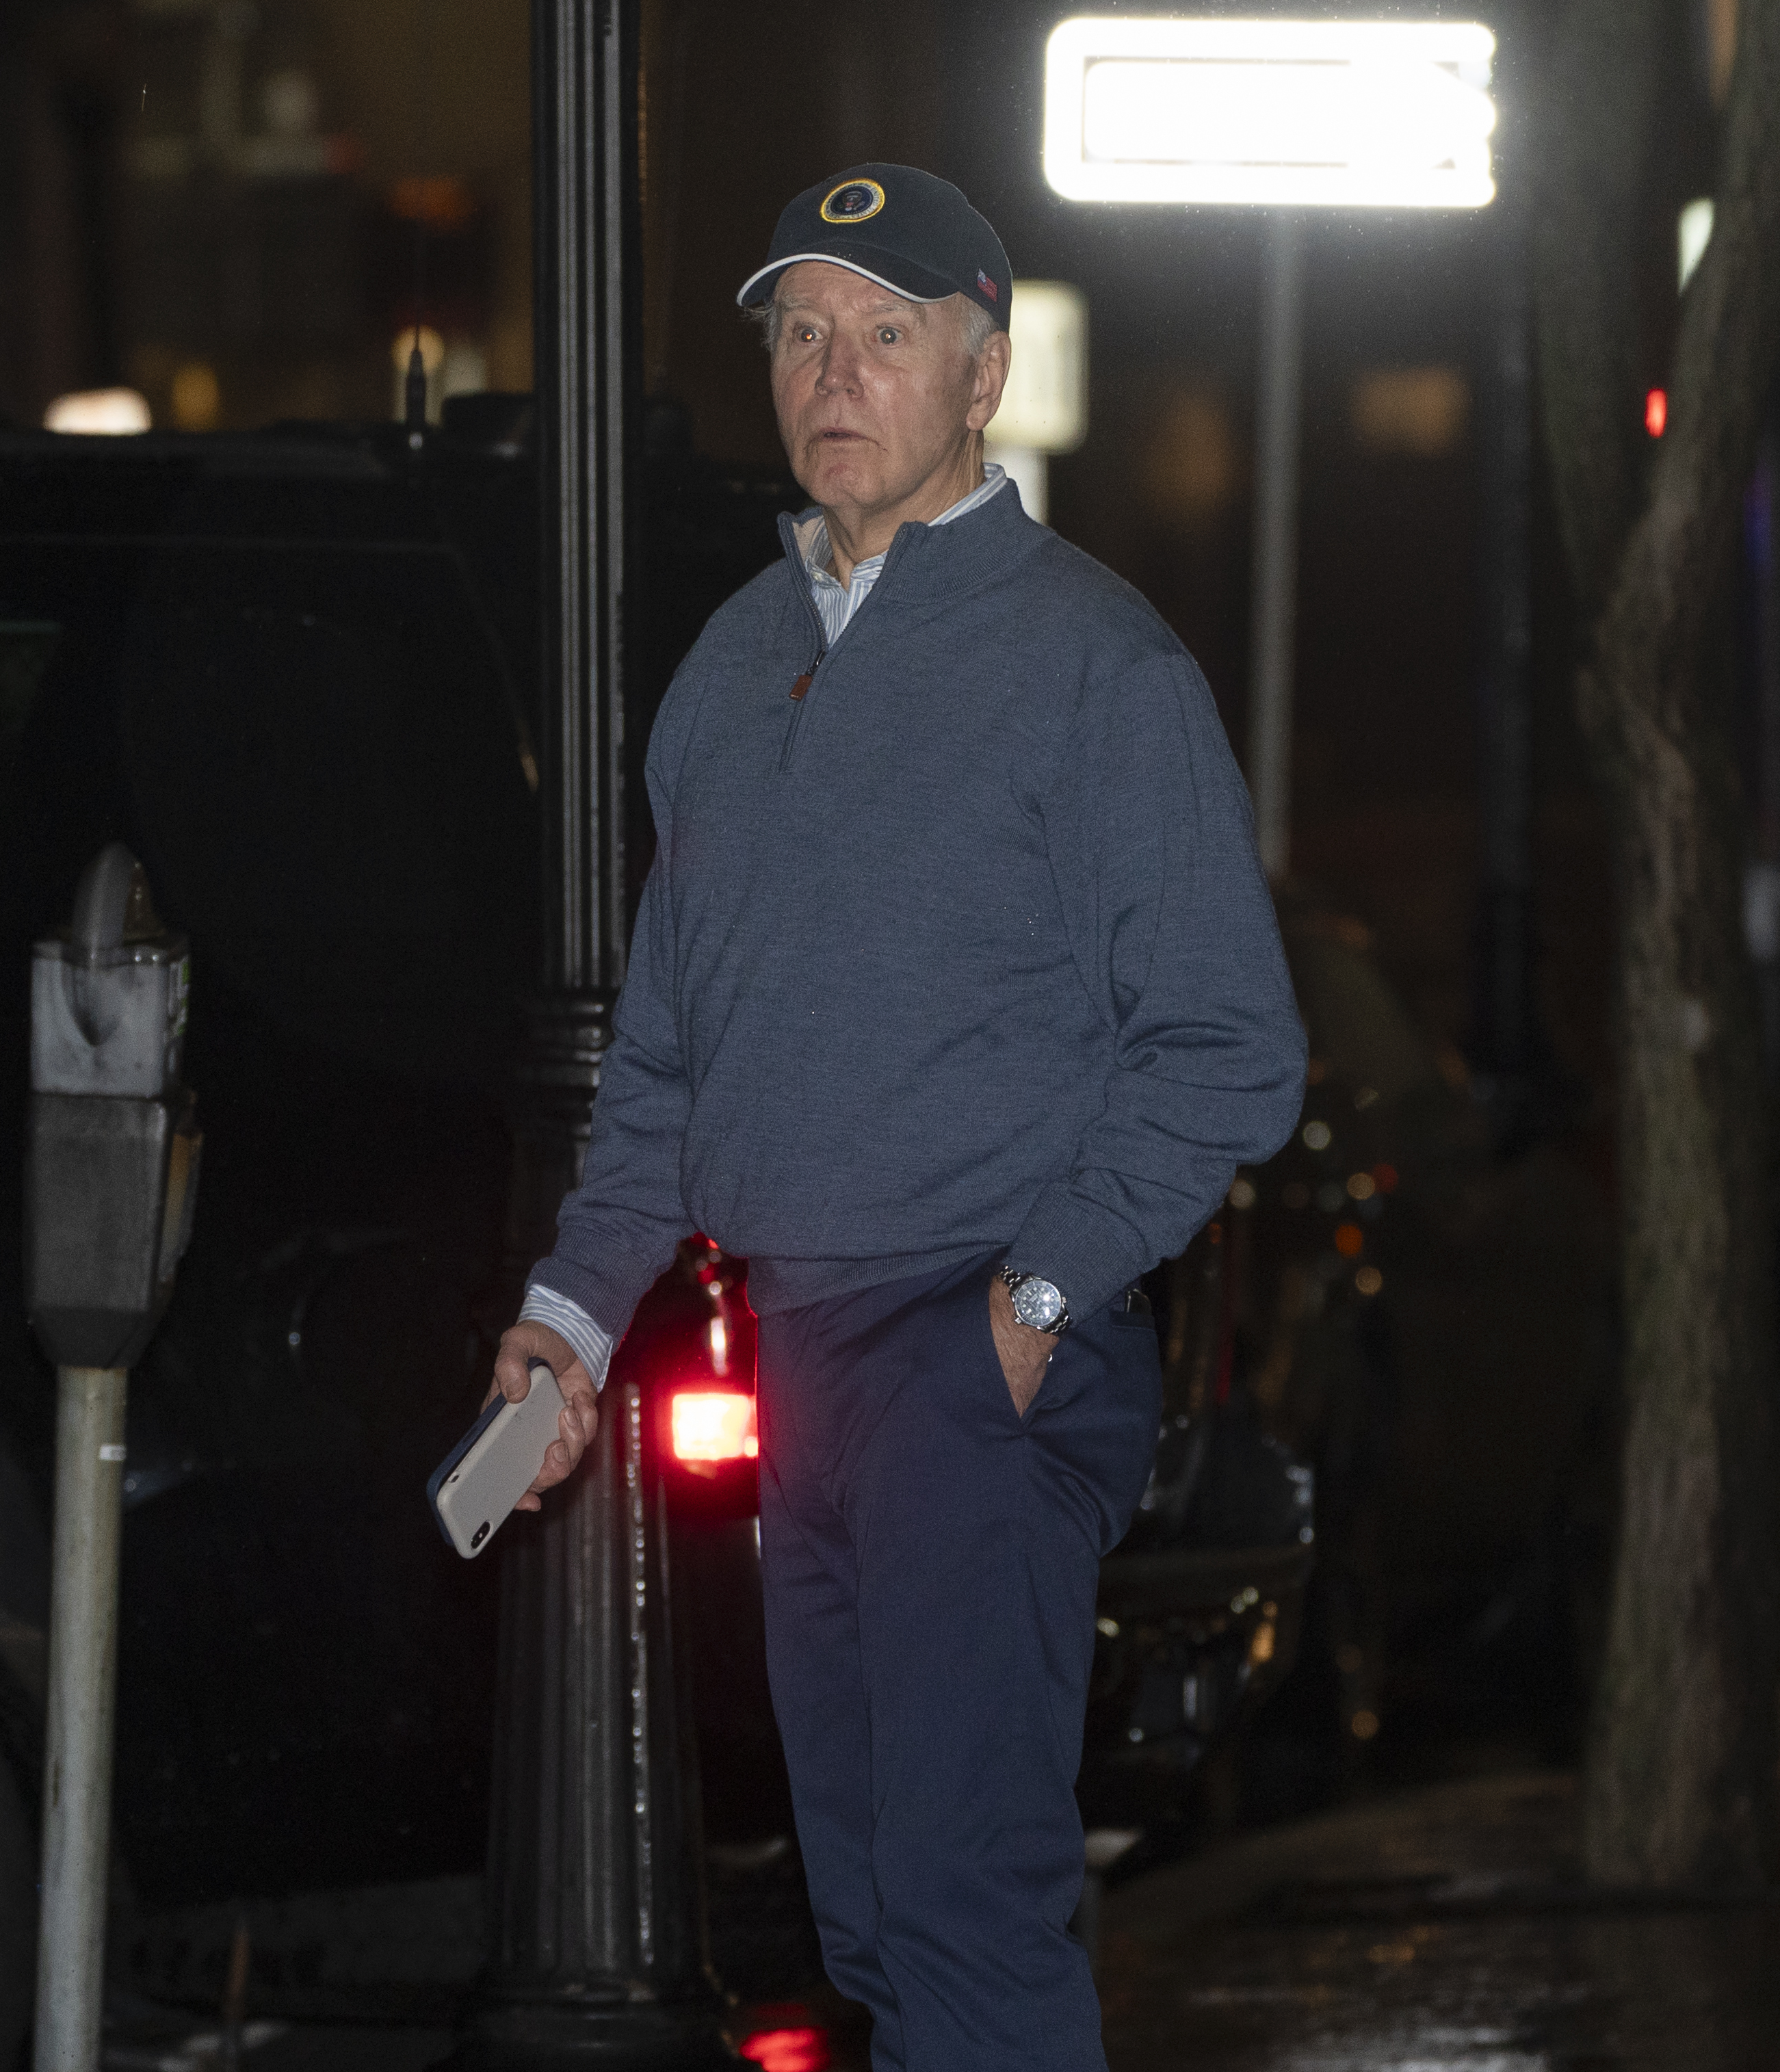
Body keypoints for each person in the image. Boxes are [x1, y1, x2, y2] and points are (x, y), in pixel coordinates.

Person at [489, 165, 1305, 2071]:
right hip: (798, 1360)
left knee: (964, 1904)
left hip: (972, 1349)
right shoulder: (723, 677)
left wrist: (1030, 1302)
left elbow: (1229, 1045)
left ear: (983, 372)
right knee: (864, 1913)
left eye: (887, 331)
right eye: (800, 333)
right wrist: (573, 1317)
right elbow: (673, 1063)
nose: (833, 371)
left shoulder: (1097, 665)